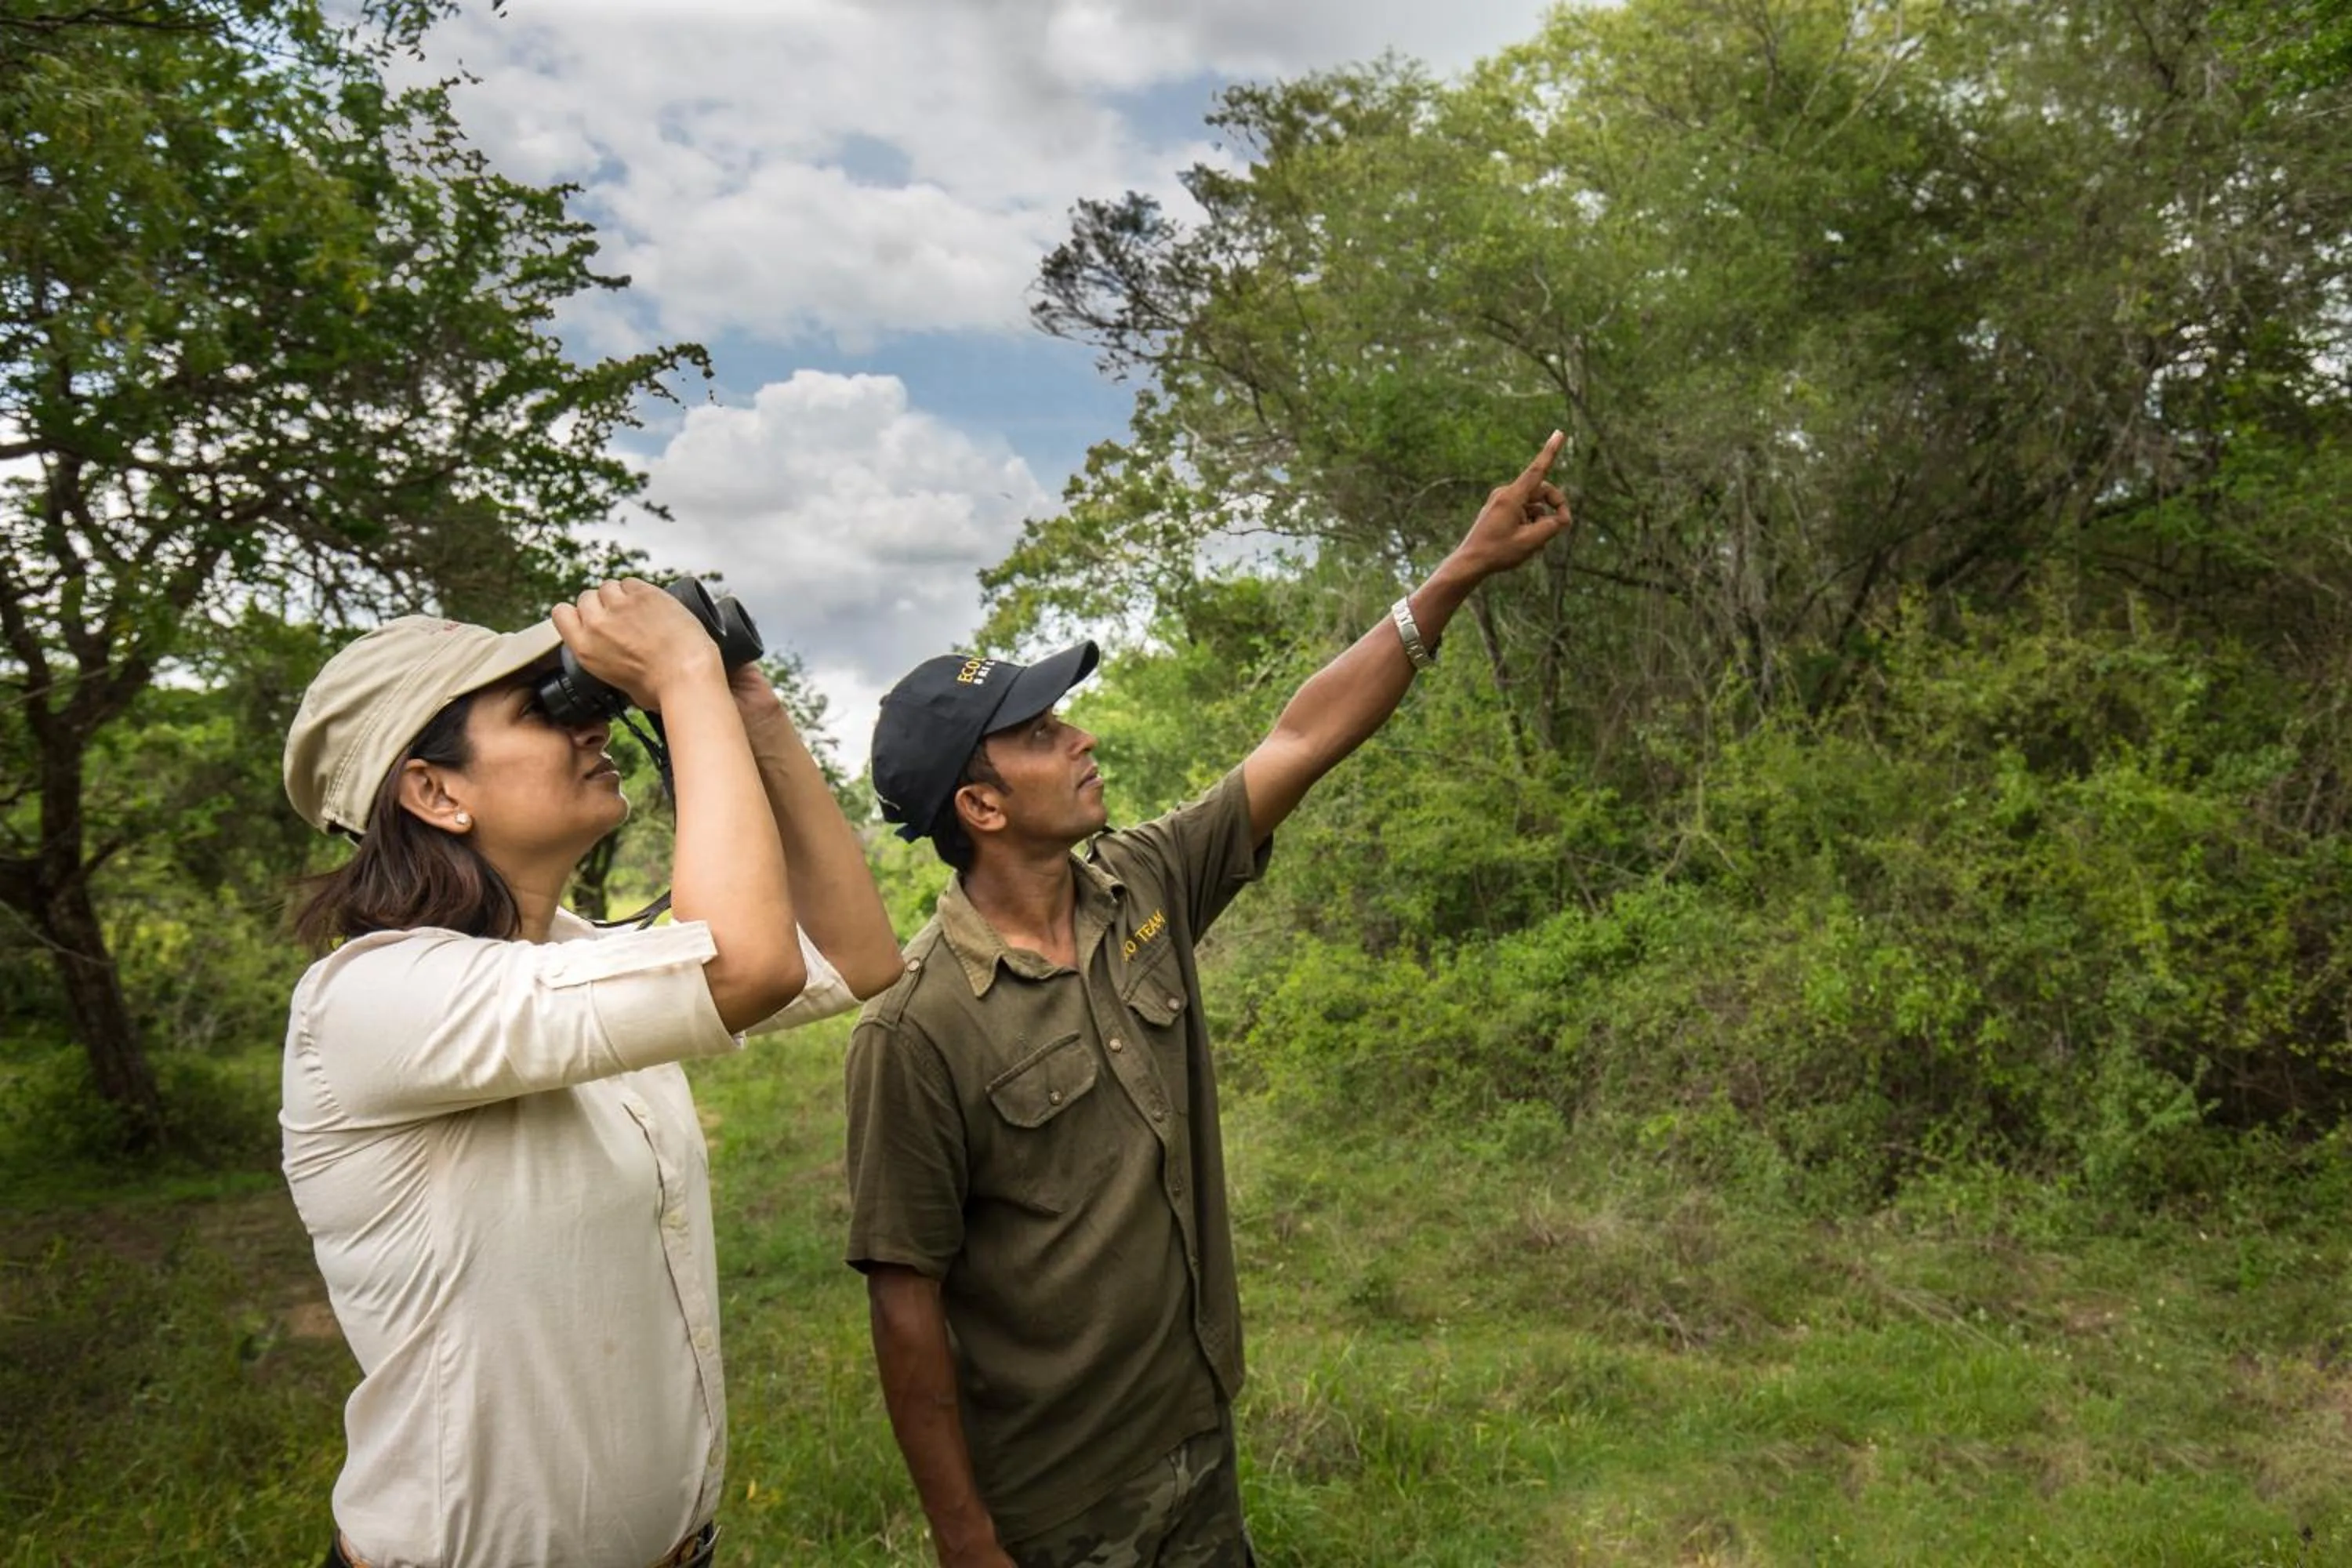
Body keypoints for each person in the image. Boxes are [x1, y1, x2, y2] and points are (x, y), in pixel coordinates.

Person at [844, 434, 1574, 1567]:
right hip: (1054, 1503)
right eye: (1039, 734)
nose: (1081, 735)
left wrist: (1460, 572)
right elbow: (906, 1301)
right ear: (981, 808)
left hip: (1194, 1435)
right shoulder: (915, 1026)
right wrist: (964, 1537)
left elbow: (1302, 736)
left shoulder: (1143, 879)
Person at [279, 579, 906, 1568]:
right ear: (435, 792)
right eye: (543, 707)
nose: (593, 722)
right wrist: (682, 675)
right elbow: (748, 964)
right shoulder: (373, 998)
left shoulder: (575, 963)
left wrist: (749, 710)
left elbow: (855, 954)